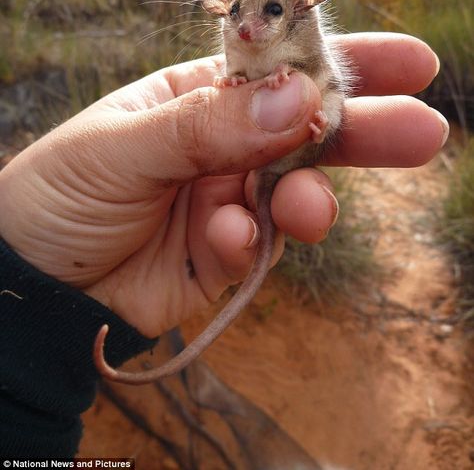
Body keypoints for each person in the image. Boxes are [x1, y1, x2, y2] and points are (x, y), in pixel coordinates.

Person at [0, 33, 448, 456]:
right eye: (236, 12)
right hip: (258, 157)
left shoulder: (304, 39)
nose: (248, 28)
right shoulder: (240, 45)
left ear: (299, 7)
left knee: (311, 149)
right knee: (266, 223)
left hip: (298, 141)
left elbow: (316, 78)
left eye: (268, 12)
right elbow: (239, 72)